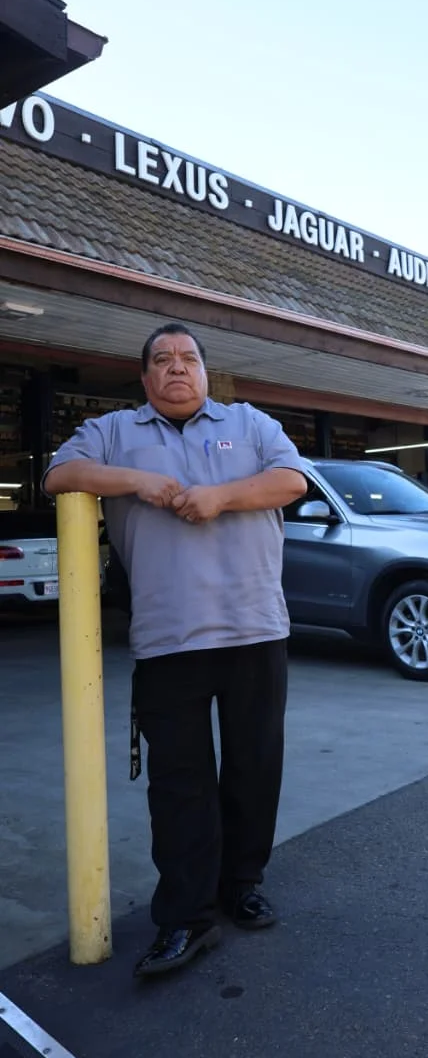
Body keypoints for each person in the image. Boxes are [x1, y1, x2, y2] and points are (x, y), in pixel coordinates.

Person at [44, 323, 308, 979]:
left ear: (205, 371)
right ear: (145, 379)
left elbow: (292, 481)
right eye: (161, 360)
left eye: (187, 358)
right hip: (167, 641)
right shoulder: (115, 432)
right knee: (178, 786)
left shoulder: (250, 423)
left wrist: (220, 496)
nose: (175, 368)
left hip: (254, 631)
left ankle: (240, 885)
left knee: (254, 767)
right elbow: (58, 475)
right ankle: (185, 919)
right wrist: (135, 480)